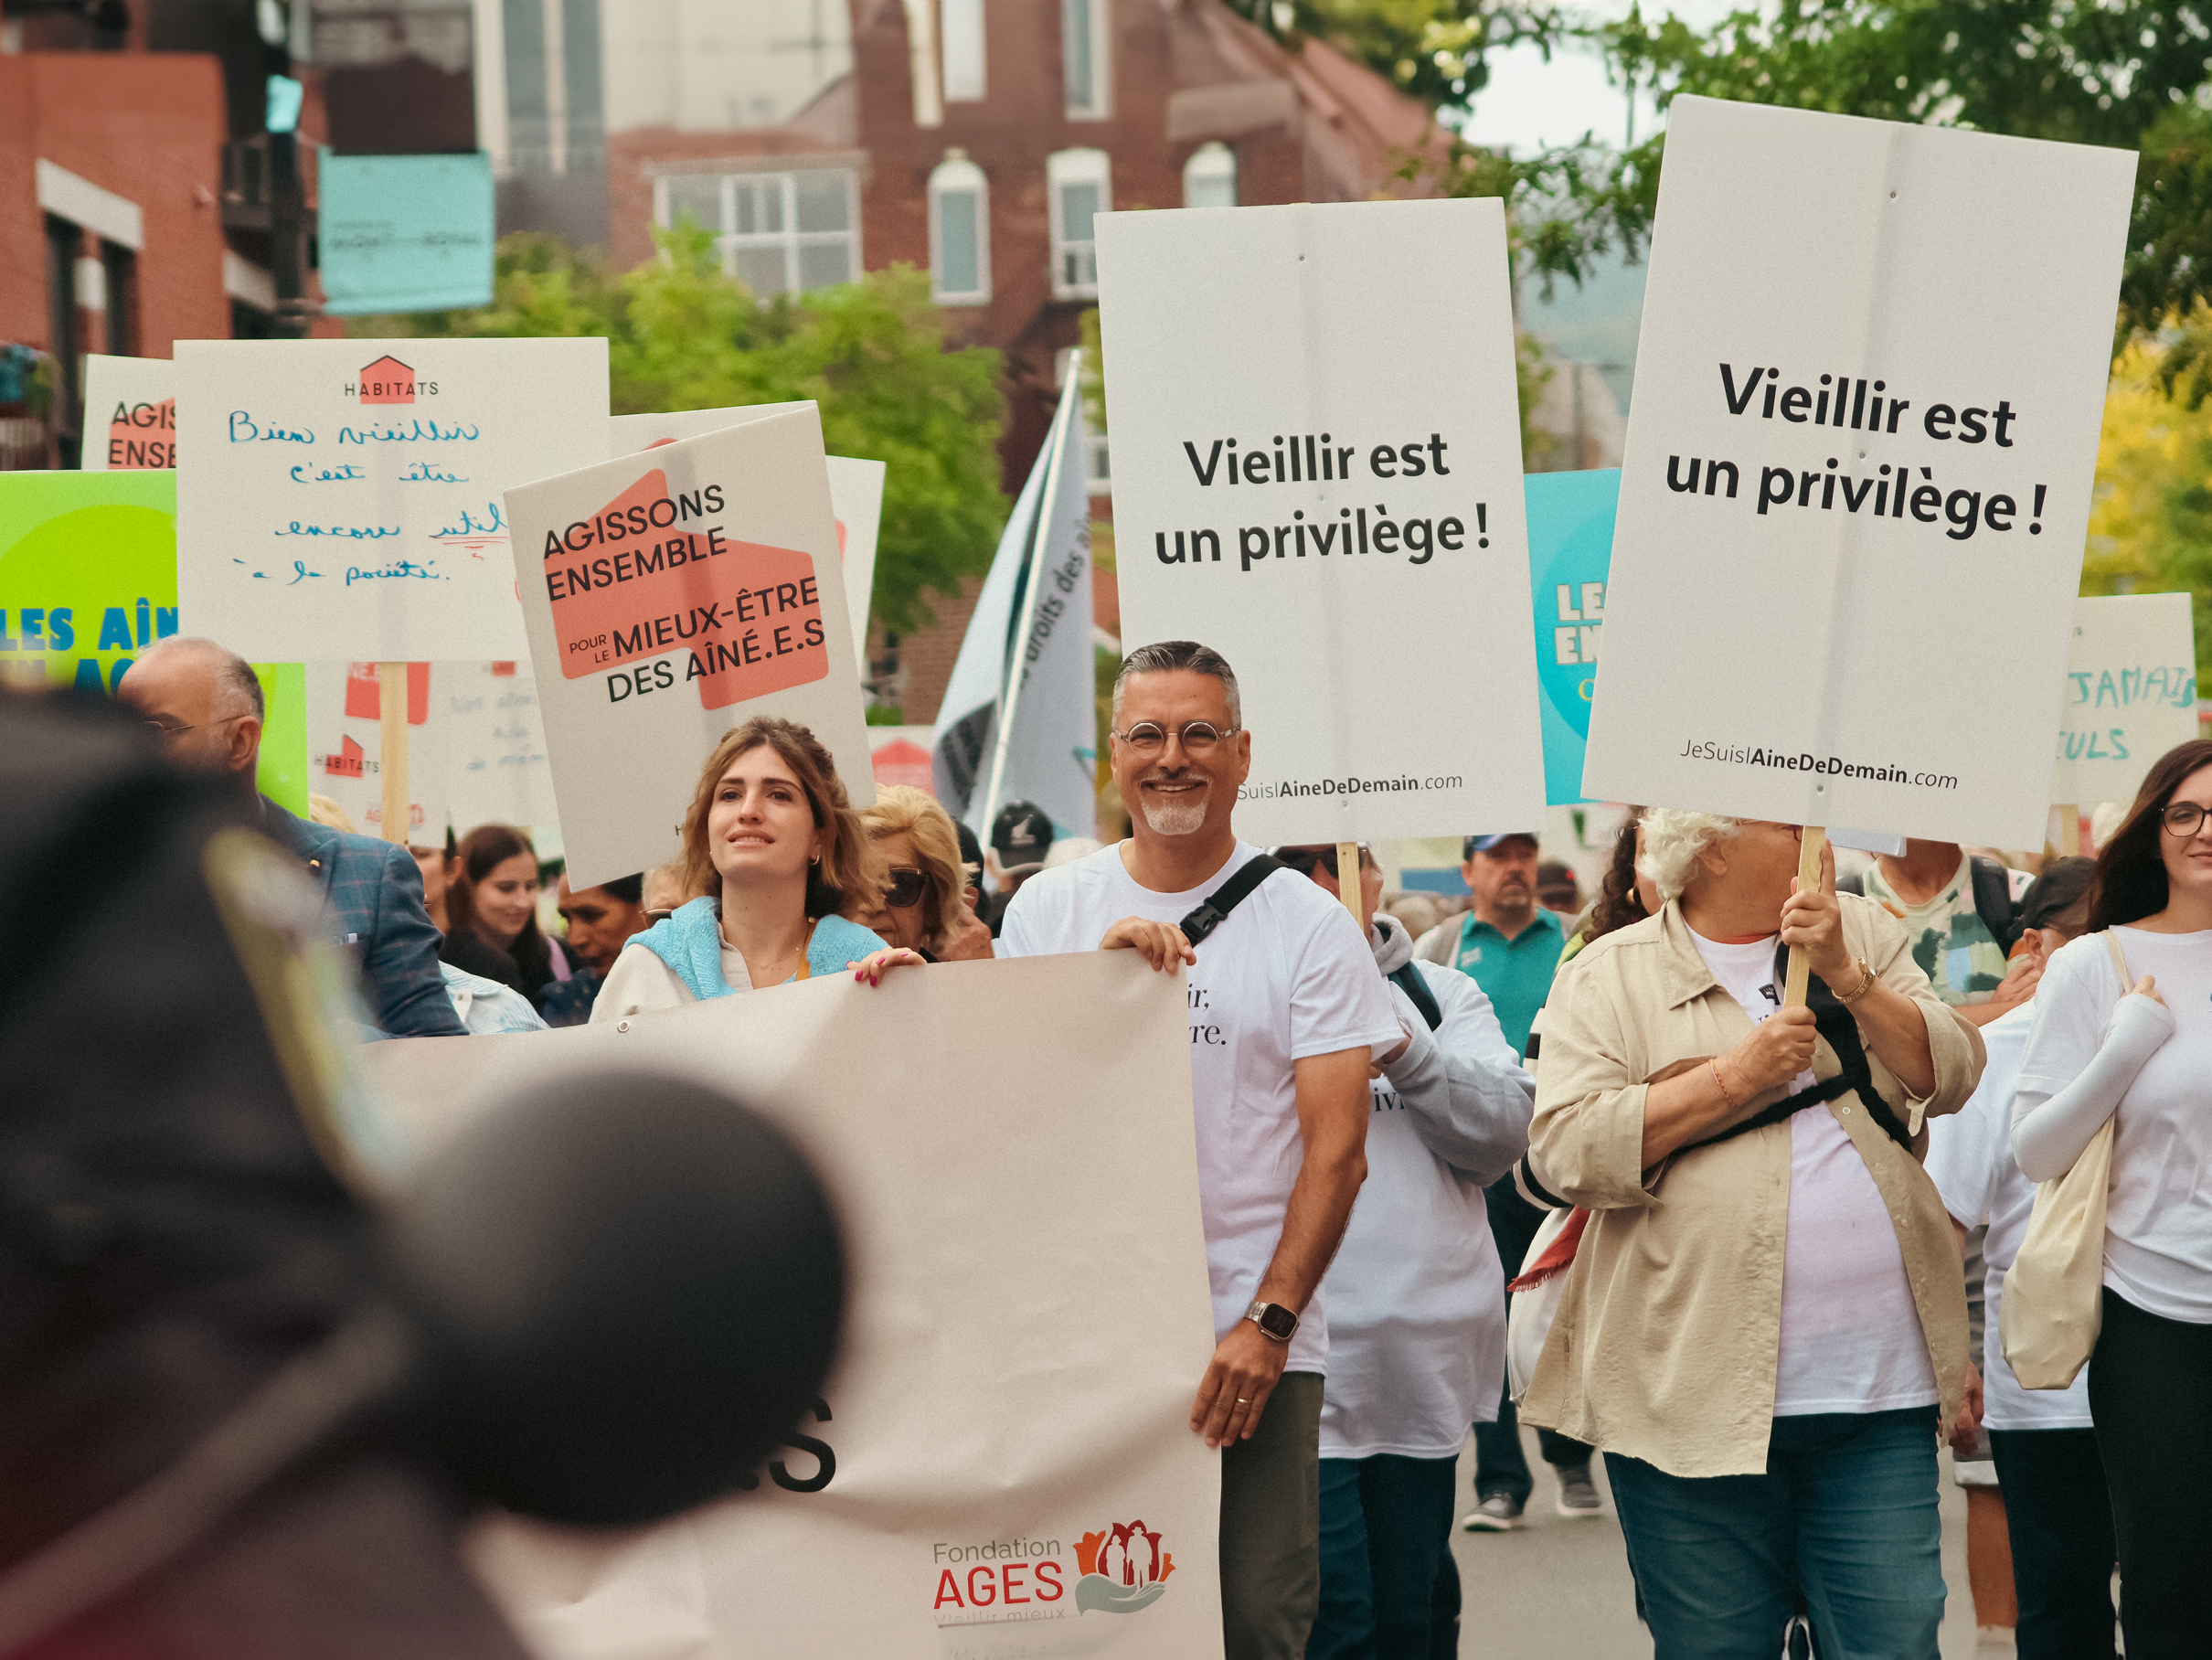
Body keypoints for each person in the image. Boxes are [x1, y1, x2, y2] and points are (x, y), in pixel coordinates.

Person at [999, 641, 1399, 1660]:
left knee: (1257, 1620)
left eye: (1197, 734)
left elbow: (1337, 1151)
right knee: (1097, 1620)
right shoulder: (1047, 910)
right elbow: (1009, 1118)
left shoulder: (1310, 925)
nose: (1170, 757)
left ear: (1241, 752)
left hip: (1249, 1342)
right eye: (1146, 734)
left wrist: (1267, 1324)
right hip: (1088, 1334)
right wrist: (1090, 995)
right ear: (1112, 753)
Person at [1525, 810, 1982, 1656]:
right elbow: (1564, 1151)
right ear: (1714, 847)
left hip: (1875, 1398)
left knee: (1895, 1640)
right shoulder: (1608, 974)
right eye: (1790, 821)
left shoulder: (1867, 930)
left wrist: (1849, 974)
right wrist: (1733, 1079)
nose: (1823, 832)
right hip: (1681, 1399)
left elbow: (1950, 1073)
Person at [1274, 843, 1533, 1660]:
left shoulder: (1442, 992)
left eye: (1338, 861)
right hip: (1295, 1355)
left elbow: (1503, 1137)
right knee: (1334, 1614)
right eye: (1294, 863)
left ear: (1373, 875)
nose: (1320, 882)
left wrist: (1404, 1047)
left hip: (1420, 1357)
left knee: (1410, 1612)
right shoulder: (1232, 988)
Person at [2011, 740, 2212, 1659]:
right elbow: (2034, 1150)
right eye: (2185, 812)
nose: (2205, 830)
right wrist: (2125, 1044)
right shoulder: (2095, 964)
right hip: (2155, 1319)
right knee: (2171, 1589)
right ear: (2152, 827)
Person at [1922, 856, 2114, 1660]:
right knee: (2063, 1604)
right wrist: (1951, 1354)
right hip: (2049, 1388)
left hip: (2175, 1365)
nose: (2115, 956)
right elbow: (1942, 1219)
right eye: (2091, 937)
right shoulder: (1995, 1052)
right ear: (2034, 944)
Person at [116, 636, 463, 1038]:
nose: (127, 753)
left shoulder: (370, 875)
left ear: (240, 741)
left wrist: (315, 1046)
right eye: (117, 731)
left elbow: (438, 1052)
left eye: (155, 730)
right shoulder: (91, 884)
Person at [1412, 831, 1594, 1527]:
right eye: (1497, 857)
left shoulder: (1576, 938)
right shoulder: (1442, 949)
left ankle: (1570, 1455)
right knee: (1490, 1317)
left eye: (1523, 854)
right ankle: (1500, 1483)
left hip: (1563, 1157)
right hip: (1483, 1165)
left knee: (1564, 1309)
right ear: (1469, 872)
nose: (1515, 867)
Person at [593, 717, 912, 1019]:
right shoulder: (647, 968)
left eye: (778, 795)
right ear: (706, 829)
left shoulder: (864, 966)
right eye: (730, 795)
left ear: (820, 837)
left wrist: (912, 1000)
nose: (748, 811)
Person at [1862, 838, 2039, 1024]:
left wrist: (1904, 1022)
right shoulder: (1841, 902)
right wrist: (1993, 1012)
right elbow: (1860, 1031)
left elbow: (2035, 1012)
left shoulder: (2020, 892)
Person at [853, 785, 994, 962]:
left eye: (899, 884)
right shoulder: (808, 984)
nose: (873, 906)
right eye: (855, 884)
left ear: (933, 905)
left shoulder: (962, 986)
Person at [444, 825, 569, 1001]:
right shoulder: (447, 965)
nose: (523, 902)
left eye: (530, 886)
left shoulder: (558, 956)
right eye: (506, 888)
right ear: (468, 887)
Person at [537, 872, 653, 1027]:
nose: (574, 940)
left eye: (591, 915)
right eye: (567, 919)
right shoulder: (565, 1006)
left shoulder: (691, 980)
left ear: (647, 907)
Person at [981, 799, 1055, 935]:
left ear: (988, 863)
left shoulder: (978, 919)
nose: (1023, 885)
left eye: (1033, 874)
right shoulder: (1066, 909)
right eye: (1015, 877)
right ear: (989, 863)